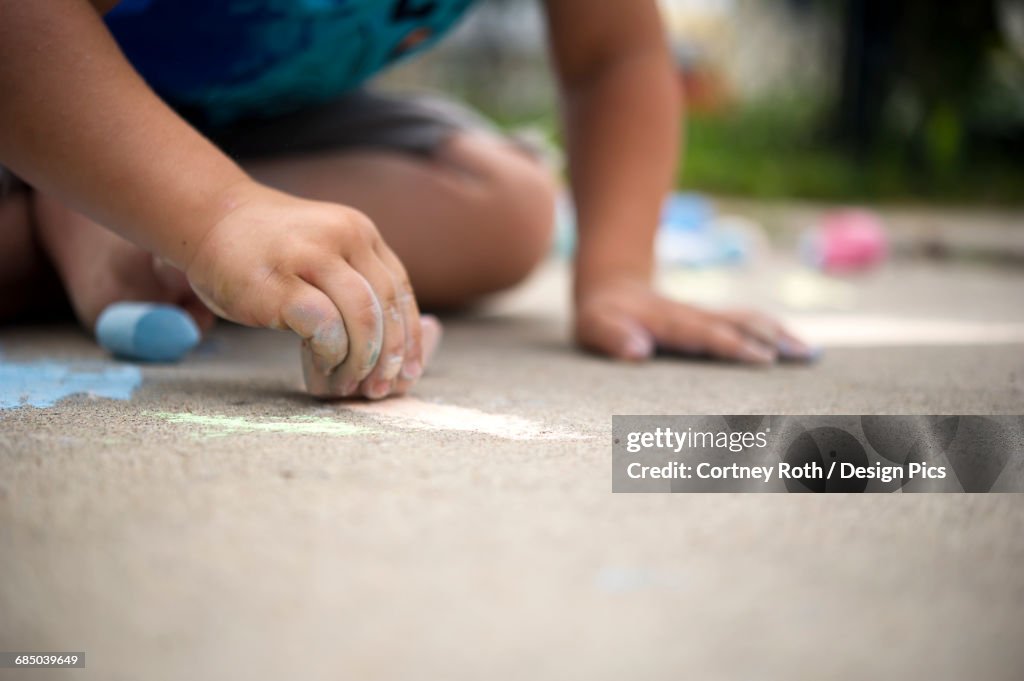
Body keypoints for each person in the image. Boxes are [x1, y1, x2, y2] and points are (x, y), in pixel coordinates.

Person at [0, 0, 816, 400]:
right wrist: (216, 214)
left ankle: (114, 222)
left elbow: (615, 56)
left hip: (264, 125)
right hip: (50, 85)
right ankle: (103, 200)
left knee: (509, 209)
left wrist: (619, 275)